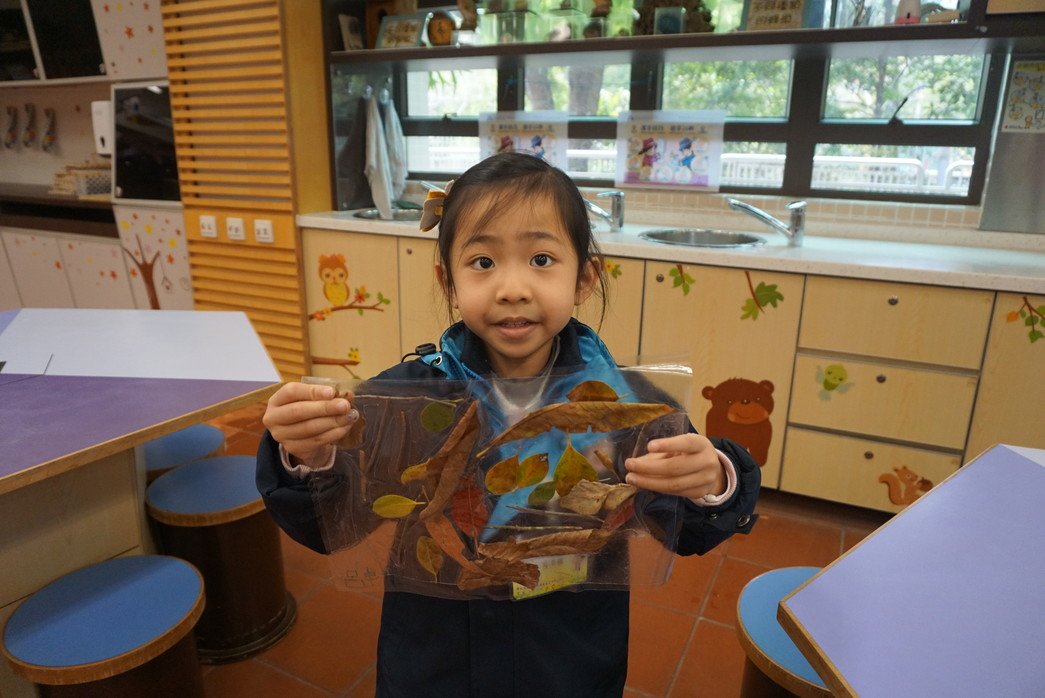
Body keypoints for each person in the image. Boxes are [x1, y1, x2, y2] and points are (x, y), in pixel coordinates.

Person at [257, 152, 759, 697]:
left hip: (566, 660)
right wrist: (308, 455)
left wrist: (713, 481)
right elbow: (332, 523)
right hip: (436, 660)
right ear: (448, 281)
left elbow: (684, 527)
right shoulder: (405, 400)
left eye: (541, 259)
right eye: (483, 261)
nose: (512, 287)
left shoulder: (627, 405)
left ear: (584, 278)